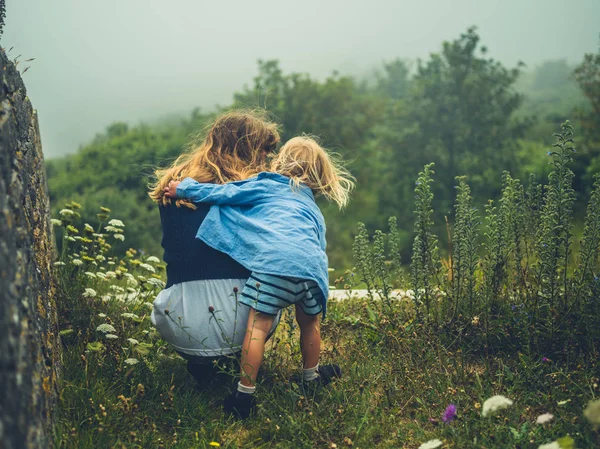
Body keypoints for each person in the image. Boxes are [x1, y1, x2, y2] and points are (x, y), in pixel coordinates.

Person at [164, 136, 355, 417]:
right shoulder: (312, 207)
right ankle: (311, 379)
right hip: (312, 271)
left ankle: (244, 395)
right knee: (309, 324)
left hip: (275, 266)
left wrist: (185, 188)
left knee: (257, 328)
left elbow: (226, 194)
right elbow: (318, 243)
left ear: (281, 161)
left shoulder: (267, 183)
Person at [148, 110, 281, 384]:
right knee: (274, 290)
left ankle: (200, 360)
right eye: (263, 152)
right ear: (248, 149)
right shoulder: (255, 190)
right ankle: (236, 359)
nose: (267, 159)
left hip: (178, 317)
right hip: (245, 320)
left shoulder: (174, 184)